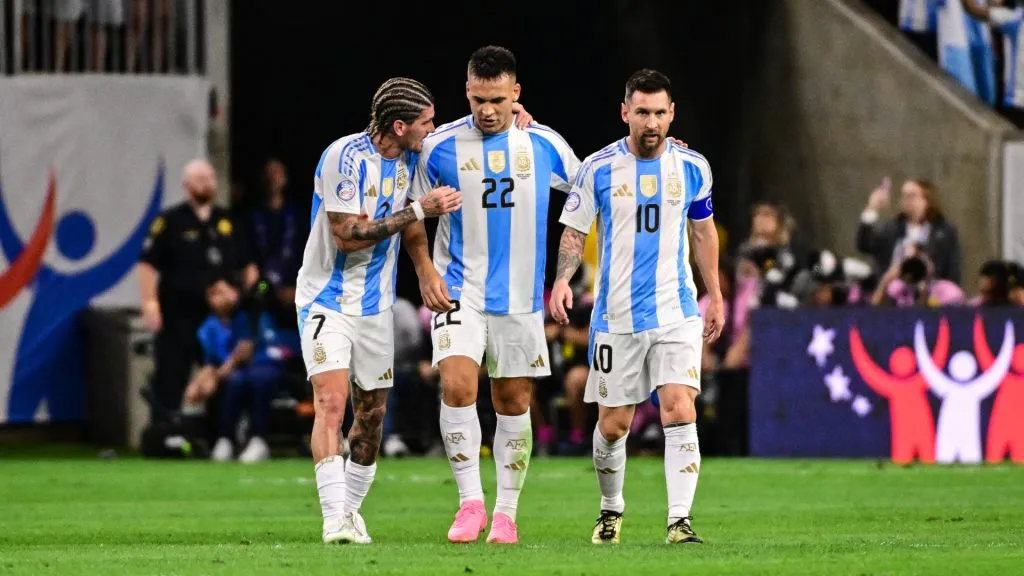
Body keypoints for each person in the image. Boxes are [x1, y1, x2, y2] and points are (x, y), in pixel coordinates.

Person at [405, 46, 582, 545]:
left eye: (498, 99)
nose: (487, 110)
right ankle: (470, 504)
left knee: (512, 399)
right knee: (457, 383)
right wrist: (423, 272)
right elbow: (412, 217)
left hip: (521, 297)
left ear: (516, 94)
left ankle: (506, 513)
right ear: (466, 92)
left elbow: (593, 186)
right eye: (479, 98)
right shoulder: (438, 147)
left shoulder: (543, 143)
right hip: (459, 288)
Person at [549, 69, 724, 545]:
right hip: (616, 317)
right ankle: (610, 509)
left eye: (659, 112)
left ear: (672, 114)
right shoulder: (599, 167)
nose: (651, 122)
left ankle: (679, 520)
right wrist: (563, 280)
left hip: (677, 310)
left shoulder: (693, 167)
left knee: (679, 407)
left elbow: (703, 232)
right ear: (625, 112)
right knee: (613, 425)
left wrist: (715, 296)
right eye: (642, 112)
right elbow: (574, 231)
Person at [297, 77, 462, 545]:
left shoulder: (414, 160)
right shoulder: (343, 160)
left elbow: (409, 227)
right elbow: (347, 236)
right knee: (331, 403)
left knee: (370, 417)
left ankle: (350, 512)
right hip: (326, 297)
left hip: (376, 306)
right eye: (425, 122)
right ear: (399, 125)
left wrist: (426, 269)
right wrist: (418, 210)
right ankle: (334, 520)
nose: (431, 130)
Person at [137, 159, 259, 417]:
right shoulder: (170, 221)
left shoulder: (228, 221)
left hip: (218, 318)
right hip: (179, 314)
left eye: (211, 178)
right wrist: (150, 304)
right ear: (187, 185)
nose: (207, 184)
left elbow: (249, 266)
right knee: (171, 374)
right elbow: (147, 266)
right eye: (200, 179)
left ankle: (219, 437)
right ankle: (166, 433)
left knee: (219, 374)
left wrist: (239, 297)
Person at [184, 277, 291, 463]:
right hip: (245, 369)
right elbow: (214, 360)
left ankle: (259, 439)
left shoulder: (257, 312)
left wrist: (217, 375)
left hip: (270, 364)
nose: (217, 298)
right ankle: (225, 439)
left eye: (222, 291)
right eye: (212, 294)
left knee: (258, 379)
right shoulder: (215, 324)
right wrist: (202, 381)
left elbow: (245, 349)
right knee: (235, 381)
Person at [856, 177, 961, 284]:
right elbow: (864, 245)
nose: (906, 200)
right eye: (904, 196)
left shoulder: (944, 232)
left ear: (927, 200)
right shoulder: (891, 229)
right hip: (891, 293)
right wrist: (872, 207)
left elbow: (952, 269)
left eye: (911, 196)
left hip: (930, 295)